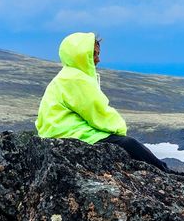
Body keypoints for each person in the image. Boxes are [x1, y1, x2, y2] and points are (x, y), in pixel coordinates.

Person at [35, 32, 172, 173]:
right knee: (129, 143)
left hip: (55, 133)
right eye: (93, 54)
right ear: (80, 55)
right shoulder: (76, 79)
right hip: (70, 134)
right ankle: (166, 172)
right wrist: (119, 129)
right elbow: (97, 113)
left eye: (98, 54)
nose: (98, 59)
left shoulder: (64, 76)